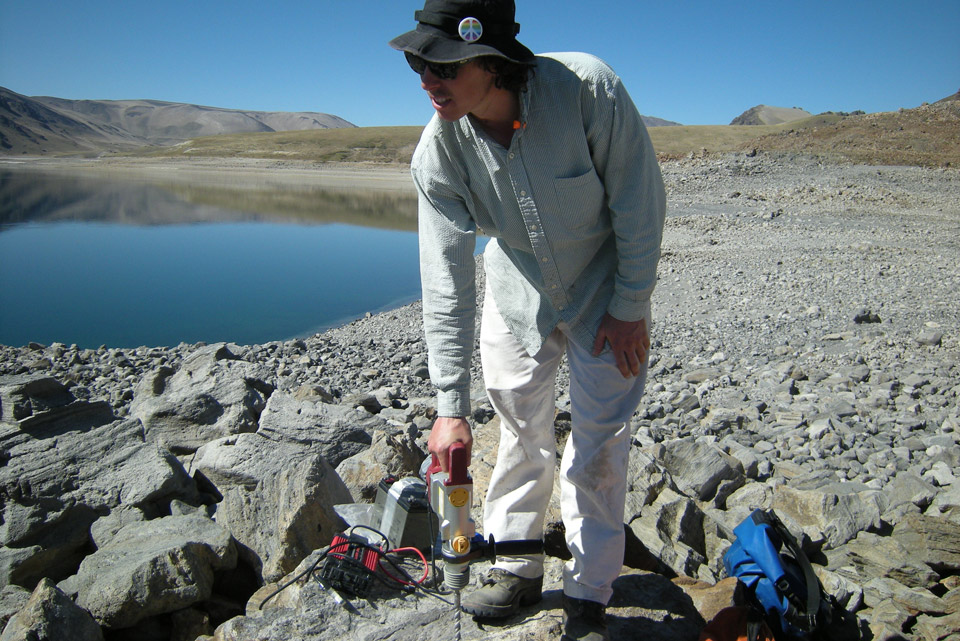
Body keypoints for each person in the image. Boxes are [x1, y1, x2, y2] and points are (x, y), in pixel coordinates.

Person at [390, 1, 665, 639]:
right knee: (519, 430)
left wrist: (630, 307)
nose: (425, 78)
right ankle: (515, 565)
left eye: (440, 64)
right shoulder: (439, 152)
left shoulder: (586, 90)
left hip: (605, 294)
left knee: (600, 442)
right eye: (415, 62)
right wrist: (449, 405)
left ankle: (590, 590)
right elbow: (446, 278)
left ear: (489, 60)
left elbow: (639, 201)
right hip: (516, 294)